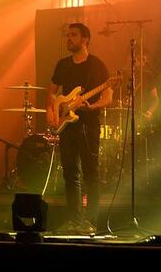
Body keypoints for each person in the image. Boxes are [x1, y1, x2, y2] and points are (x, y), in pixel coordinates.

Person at [46, 22, 112, 234]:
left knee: (91, 175)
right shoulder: (62, 65)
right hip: (67, 126)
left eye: (73, 35)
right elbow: (52, 92)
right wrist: (51, 111)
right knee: (70, 174)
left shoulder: (97, 65)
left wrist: (91, 106)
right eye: (68, 35)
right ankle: (75, 220)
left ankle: (91, 221)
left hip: (89, 126)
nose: (69, 38)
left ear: (85, 39)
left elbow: (108, 96)